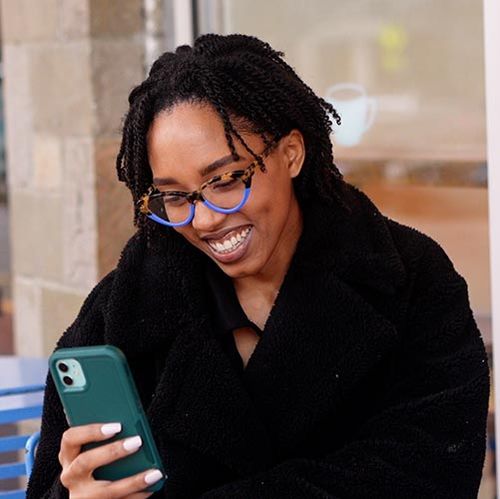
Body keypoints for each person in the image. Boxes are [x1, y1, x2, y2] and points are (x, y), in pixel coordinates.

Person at [26, 33, 490, 499]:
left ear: (291, 153)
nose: (205, 219)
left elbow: (432, 471)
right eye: (174, 196)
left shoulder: (410, 279)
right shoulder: (122, 312)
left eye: (226, 180)